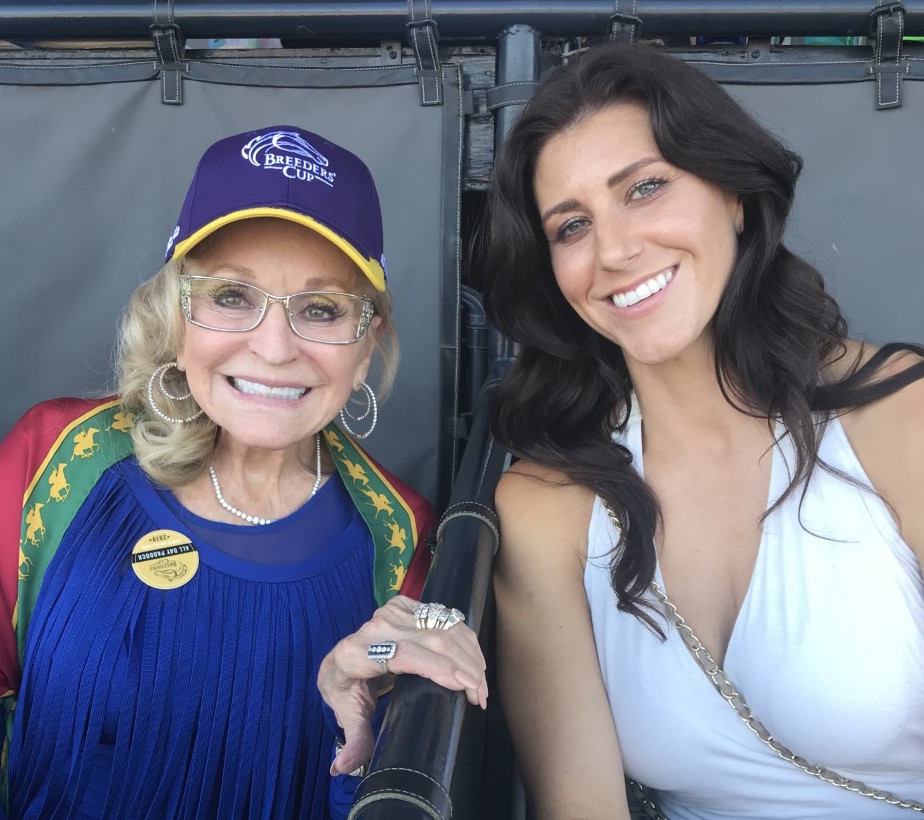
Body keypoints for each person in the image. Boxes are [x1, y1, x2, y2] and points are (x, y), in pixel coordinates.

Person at [478, 42, 924, 819]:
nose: (614, 250)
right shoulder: (545, 503)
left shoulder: (899, 418)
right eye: (572, 225)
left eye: (646, 188)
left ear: (736, 195)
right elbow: (580, 806)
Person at [0, 124, 487, 819]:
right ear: (176, 313)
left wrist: (370, 670)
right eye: (232, 295)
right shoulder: (53, 456)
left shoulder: (399, 531)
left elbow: (376, 789)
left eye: (320, 309)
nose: (273, 346)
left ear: (367, 342)